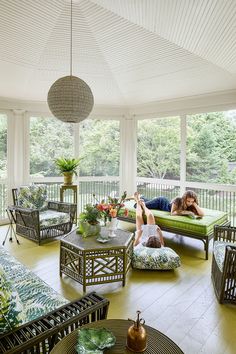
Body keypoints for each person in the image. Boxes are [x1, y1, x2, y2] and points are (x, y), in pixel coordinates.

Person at [137, 190, 204, 218]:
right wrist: (187, 212)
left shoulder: (192, 204)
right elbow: (172, 213)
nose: (190, 203)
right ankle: (138, 198)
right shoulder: (178, 200)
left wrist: (195, 204)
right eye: (188, 201)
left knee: (149, 201)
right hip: (161, 202)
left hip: (162, 206)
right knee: (138, 205)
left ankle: (142, 197)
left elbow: (202, 214)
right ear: (184, 199)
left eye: (192, 201)